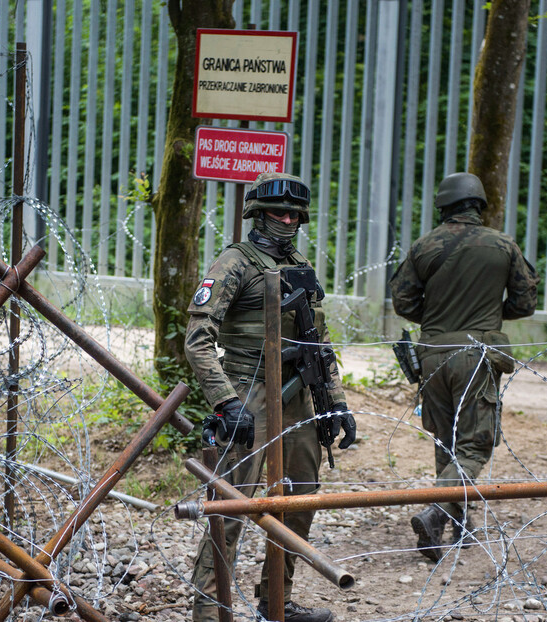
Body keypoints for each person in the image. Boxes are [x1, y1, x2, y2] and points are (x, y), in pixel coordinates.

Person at [184, 172, 356, 622]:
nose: (287, 219)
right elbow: (198, 339)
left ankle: (276, 600)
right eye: (278, 211)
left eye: (294, 213)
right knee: (233, 503)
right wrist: (226, 400)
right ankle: (209, 607)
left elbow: (319, 340)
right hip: (250, 391)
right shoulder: (235, 263)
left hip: (299, 393)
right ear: (257, 214)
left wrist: (335, 400)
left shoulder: (300, 263)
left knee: (299, 498)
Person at [389, 172, 538, 562]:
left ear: (443, 205)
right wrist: (489, 313)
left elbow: (403, 302)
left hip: (433, 354)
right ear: (478, 205)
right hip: (476, 353)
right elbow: (525, 302)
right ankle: (439, 509)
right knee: (476, 442)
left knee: (446, 438)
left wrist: (438, 315)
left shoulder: (425, 246)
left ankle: (458, 523)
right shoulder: (502, 245)